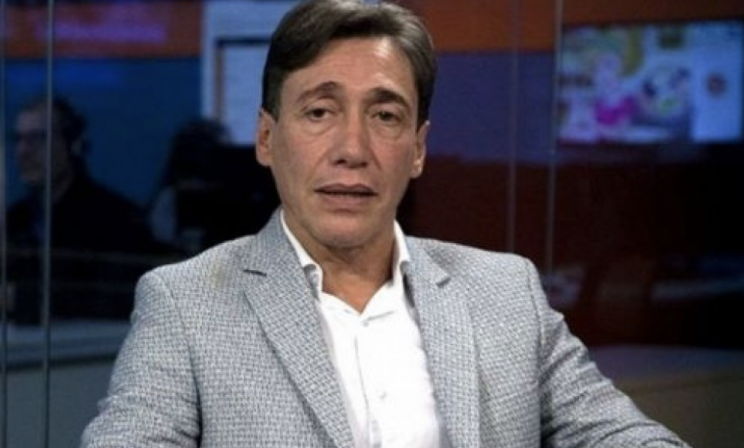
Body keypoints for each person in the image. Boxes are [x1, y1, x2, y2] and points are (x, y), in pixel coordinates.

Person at [81, 1, 691, 447]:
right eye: (320, 111)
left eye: (385, 116)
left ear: (418, 149)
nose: (353, 149)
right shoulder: (187, 303)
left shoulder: (505, 292)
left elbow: (625, 436)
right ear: (267, 138)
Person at [7, 96, 163, 322]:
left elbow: (110, 305)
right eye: (18, 139)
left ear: (73, 145)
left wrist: (19, 299)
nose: (23, 151)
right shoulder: (14, 221)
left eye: (37, 139)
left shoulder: (117, 221)